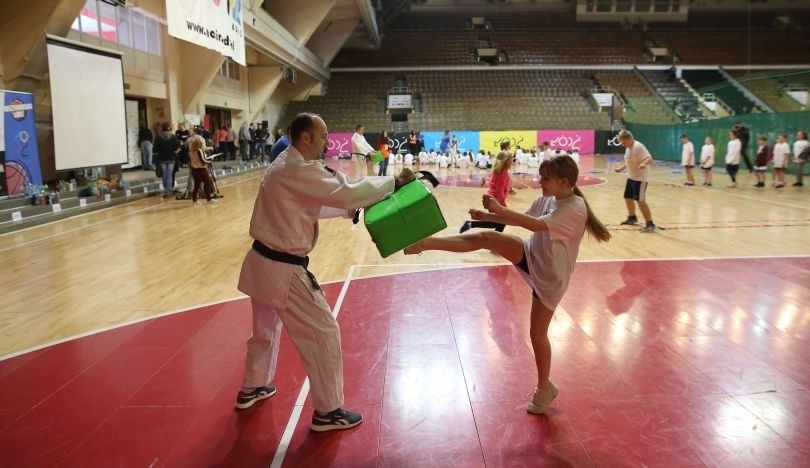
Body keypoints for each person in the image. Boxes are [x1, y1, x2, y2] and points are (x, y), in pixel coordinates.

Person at [235, 113, 416, 432]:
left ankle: (253, 386)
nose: (328, 142)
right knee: (323, 332)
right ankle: (328, 411)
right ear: (305, 138)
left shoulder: (284, 165)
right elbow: (344, 190)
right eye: (323, 137)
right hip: (282, 268)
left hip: (260, 260)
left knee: (264, 331)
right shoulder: (297, 168)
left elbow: (313, 203)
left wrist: (352, 209)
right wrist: (393, 183)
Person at [403, 154, 610, 415]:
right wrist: (487, 217)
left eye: (545, 178)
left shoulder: (574, 208)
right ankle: (425, 242)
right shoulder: (548, 198)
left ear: (564, 181)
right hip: (531, 255)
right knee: (486, 236)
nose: (539, 181)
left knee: (537, 334)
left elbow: (535, 224)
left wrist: (498, 209)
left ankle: (545, 387)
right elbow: (521, 219)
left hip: (550, 279)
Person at [461, 141, 512, 233]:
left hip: (492, 198)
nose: (512, 162)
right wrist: (501, 204)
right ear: (507, 162)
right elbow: (499, 189)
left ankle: (496, 241)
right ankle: (470, 224)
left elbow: (494, 182)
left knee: (500, 222)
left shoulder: (497, 170)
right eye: (511, 160)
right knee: (499, 221)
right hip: (495, 200)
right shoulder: (503, 173)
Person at [614, 130, 656, 233]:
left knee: (640, 200)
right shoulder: (629, 148)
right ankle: (632, 217)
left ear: (629, 139)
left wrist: (643, 164)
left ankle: (650, 224)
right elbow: (629, 161)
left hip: (640, 178)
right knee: (627, 197)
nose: (623, 145)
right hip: (631, 177)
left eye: (623, 142)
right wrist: (621, 168)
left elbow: (649, 158)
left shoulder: (638, 146)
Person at [153, 123, 180, 198]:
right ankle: (168, 191)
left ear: (162, 128)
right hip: (171, 158)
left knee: (164, 174)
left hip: (162, 158)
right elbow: (176, 147)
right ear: (168, 128)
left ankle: (167, 190)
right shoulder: (172, 136)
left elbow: (155, 148)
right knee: (169, 175)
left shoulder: (158, 136)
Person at [188, 129, 215, 203]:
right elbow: (203, 160)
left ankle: (194, 200)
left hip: (194, 169)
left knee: (196, 185)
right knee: (207, 183)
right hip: (201, 169)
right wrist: (210, 159)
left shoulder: (191, 152)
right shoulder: (199, 150)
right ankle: (208, 198)